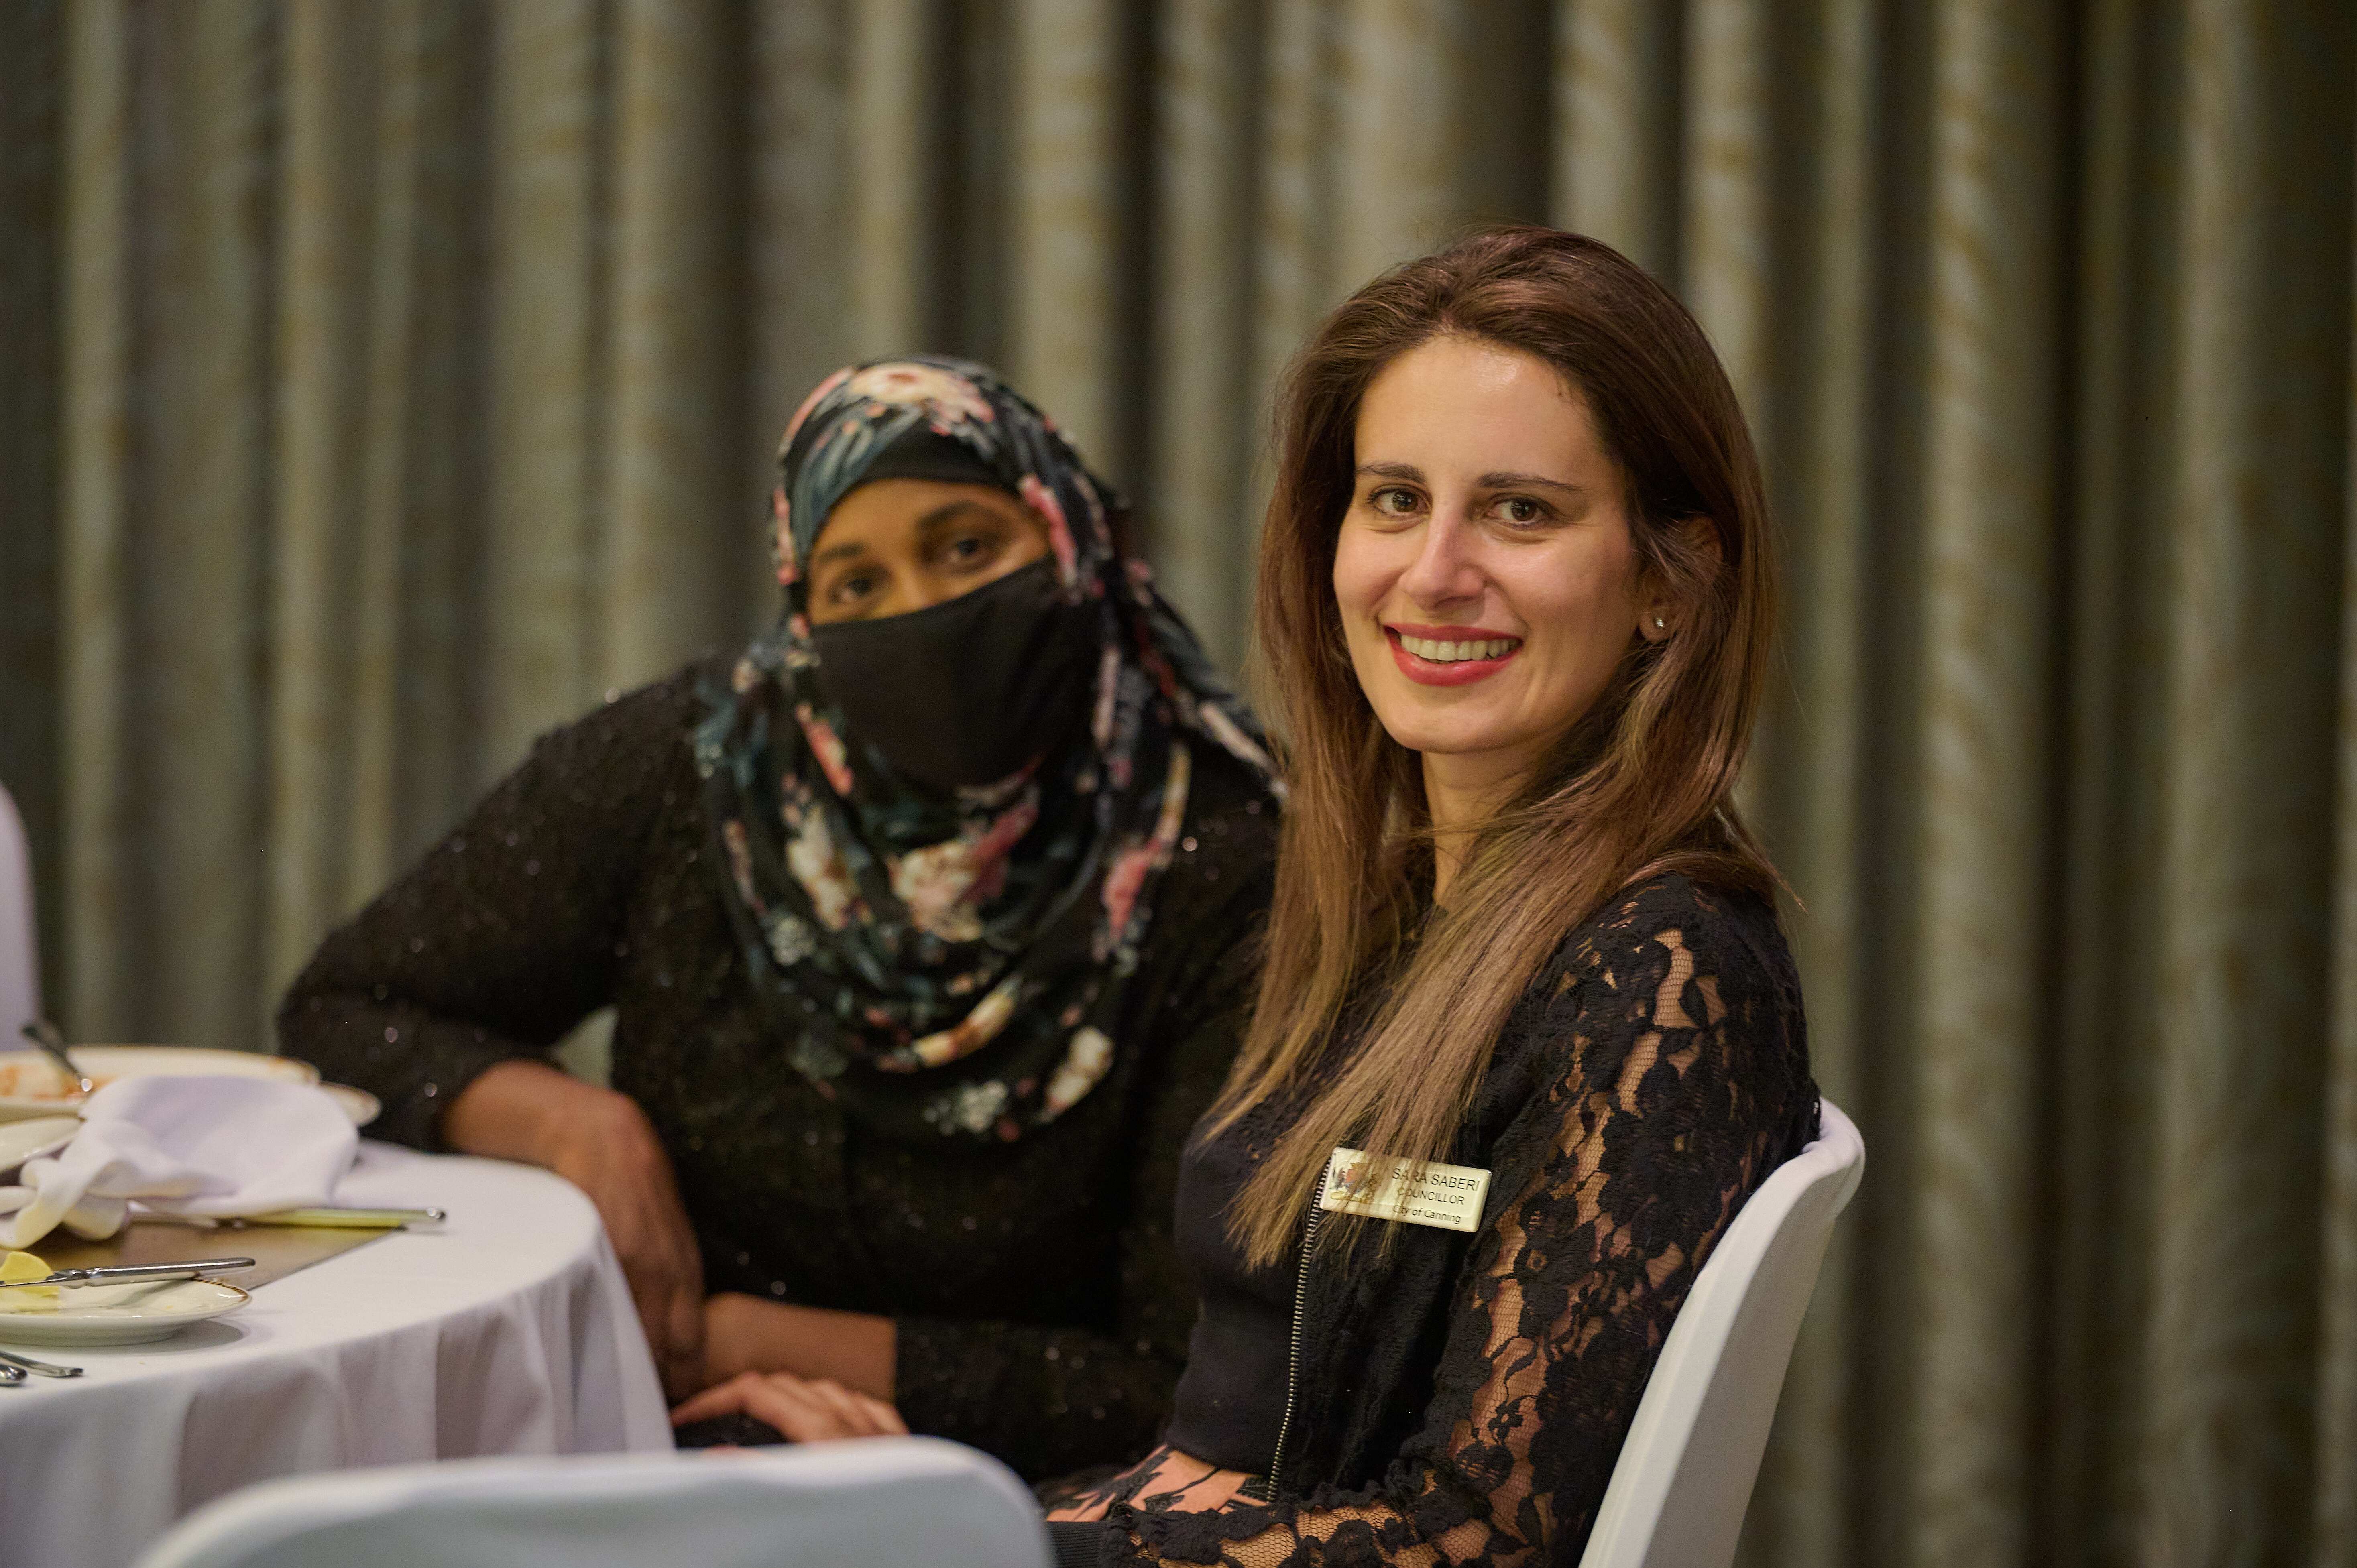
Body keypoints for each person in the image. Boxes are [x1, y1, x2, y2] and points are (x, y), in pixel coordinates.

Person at [278, 356, 1282, 1481]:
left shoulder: (1230, 866)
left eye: (965, 549)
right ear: (804, 611)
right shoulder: (701, 767)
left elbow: (1186, 1380)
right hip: (664, 1462)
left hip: (1024, 1504)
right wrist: (574, 1123)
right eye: (856, 584)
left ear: (1073, 542)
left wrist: (746, 1343)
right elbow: (348, 1005)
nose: (919, 611)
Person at [1020, 226, 1820, 1564]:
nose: (1433, 571)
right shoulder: (1390, 909)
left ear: (1669, 583)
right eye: (1395, 498)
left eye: (1521, 511)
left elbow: (1475, 1540)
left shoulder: (1662, 967)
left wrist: (1023, 1548)